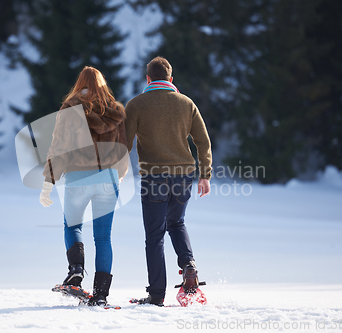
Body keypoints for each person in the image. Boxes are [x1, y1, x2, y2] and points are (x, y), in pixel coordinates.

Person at [125, 57, 212, 306]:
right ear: (171, 79)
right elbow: (203, 141)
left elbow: (124, 143)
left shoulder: (136, 105)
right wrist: (205, 174)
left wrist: (116, 170)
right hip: (184, 175)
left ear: (148, 79)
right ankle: (188, 264)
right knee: (176, 222)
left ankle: (156, 295)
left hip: (154, 177)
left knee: (154, 237)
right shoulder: (187, 103)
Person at [38, 66, 128, 306]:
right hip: (108, 178)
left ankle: (76, 271)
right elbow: (123, 148)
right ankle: (100, 295)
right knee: (103, 238)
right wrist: (118, 175)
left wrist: (49, 181)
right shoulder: (115, 111)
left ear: (80, 84)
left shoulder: (70, 109)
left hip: (78, 177)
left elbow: (58, 148)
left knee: (72, 225)